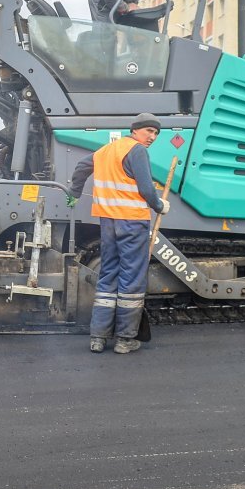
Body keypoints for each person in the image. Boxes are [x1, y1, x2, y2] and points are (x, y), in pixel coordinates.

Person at [68, 112, 169, 355]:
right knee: (132, 277)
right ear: (135, 130)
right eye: (149, 131)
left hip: (108, 222)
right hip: (132, 222)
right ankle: (125, 339)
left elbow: (82, 166)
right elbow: (145, 187)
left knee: (108, 274)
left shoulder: (107, 150)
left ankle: (98, 337)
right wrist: (159, 205)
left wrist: (74, 192)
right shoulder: (137, 151)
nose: (152, 137)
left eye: (156, 133)